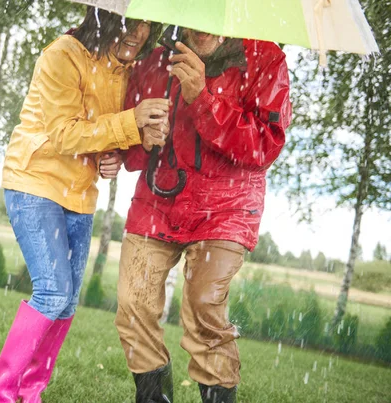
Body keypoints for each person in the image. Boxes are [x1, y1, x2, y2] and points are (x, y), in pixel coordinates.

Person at [0, 8, 167, 403]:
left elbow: (103, 135)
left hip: (80, 194)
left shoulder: (123, 72)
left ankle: (30, 395)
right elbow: (65, 135)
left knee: (65, 304)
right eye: (130, 23)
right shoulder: (62, 54)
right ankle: (0, 397)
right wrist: (130, 122)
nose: (139, 32)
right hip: (34, 182)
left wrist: (112, 156)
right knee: (52, 292)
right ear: (103, 18)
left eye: (146, 25)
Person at [115, 27, 292, 403]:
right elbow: (131, 146)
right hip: (157, 201)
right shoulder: (154, 61)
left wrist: (202, 99)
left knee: (203, 306)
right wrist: (138, 136)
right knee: (134, 304)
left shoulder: (265, 60)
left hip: (226, 209)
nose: (203, 27)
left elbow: (264, 146)